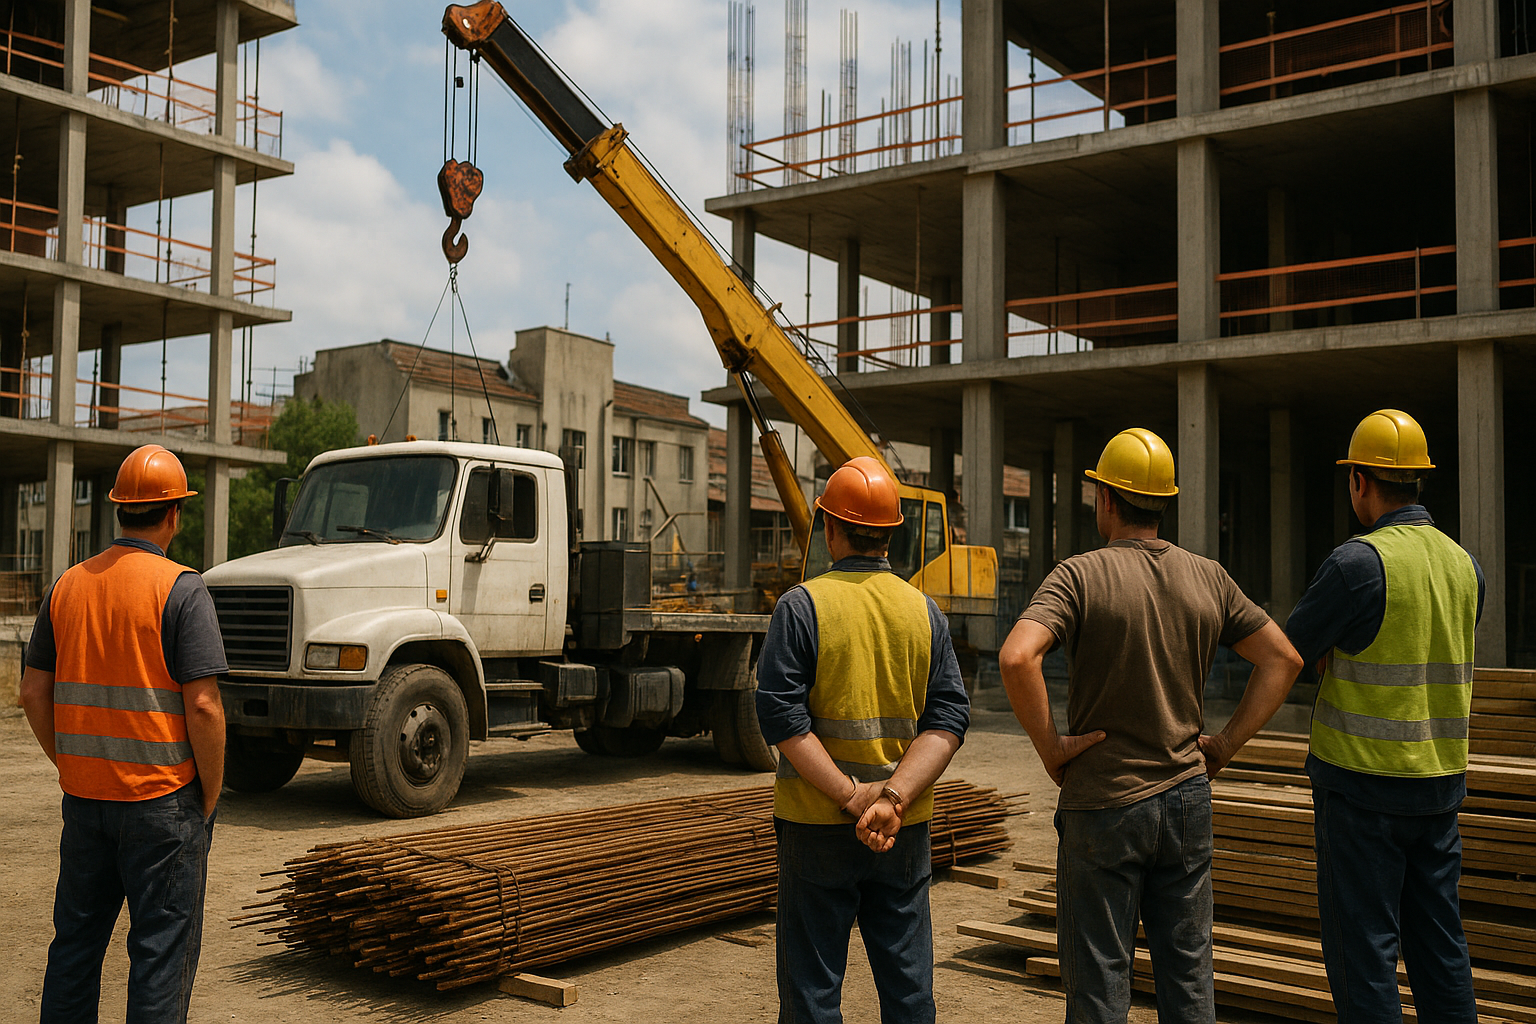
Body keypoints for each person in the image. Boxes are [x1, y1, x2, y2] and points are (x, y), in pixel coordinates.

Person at [999, 427, 1302, 1024]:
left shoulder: (1078, 576)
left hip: (1104, 802)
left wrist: (1052, 749)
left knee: (1099, 980)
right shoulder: (1208, 576)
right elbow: (1283, 659)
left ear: (1106, 498)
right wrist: (1223, 746)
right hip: (1187, 798)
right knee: (1188, 978)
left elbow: (1016, 657)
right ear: (1162, 501)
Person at [755, 456, 970, 1024]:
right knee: (907, 989)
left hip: (816, 824)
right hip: (902, 828)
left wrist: (852, 796)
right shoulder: (924, 611)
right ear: (892, 534)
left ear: (829, 527)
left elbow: (780, 718)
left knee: (814, 990)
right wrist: (893, 798)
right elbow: (948, 719)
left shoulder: (802, 606)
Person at [19, 444, 227, 1024]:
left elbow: (33, 693)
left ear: (118, 510)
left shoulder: (67, 586)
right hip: (163, 805)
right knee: (160, 956)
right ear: (173, 514)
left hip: (85, 802)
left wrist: (71, 764)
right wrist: (208, 796)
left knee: (75, 947)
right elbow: (205, 707)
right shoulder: (182, 590)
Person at [1286, 409, 1483, 1024]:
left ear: (1360, 482)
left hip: (1361, 793)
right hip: (1439, 790)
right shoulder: (1465, 568)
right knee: (1440, 950)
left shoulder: (1355, 565)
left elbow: (1287, 654)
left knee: (1364, 957)